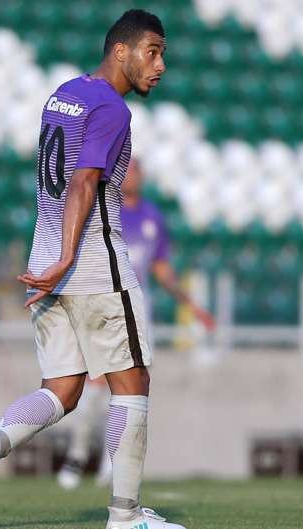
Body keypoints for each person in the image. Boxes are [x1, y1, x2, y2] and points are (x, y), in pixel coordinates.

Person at [0, 10, 186, 529]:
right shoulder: (112, 109)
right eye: (153, 51)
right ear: (120, 51)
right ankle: (126, 517)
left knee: (63, 389)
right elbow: (82, 181)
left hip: (44, 255)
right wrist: (67, 256)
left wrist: (54, 258)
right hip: (89, 260)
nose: (160, 65)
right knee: (132, 380)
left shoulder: (64, 94)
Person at [56, 158, 214, 490]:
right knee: (93, 389)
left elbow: (161, 269)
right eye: (127, 170)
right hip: (104, 308)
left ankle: (111, 463)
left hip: (138, 313)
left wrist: (192, 307)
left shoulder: (152, 217)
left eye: (137, 171)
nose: (132, 176)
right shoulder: (104, 210)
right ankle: (77, 456)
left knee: (130, 391)